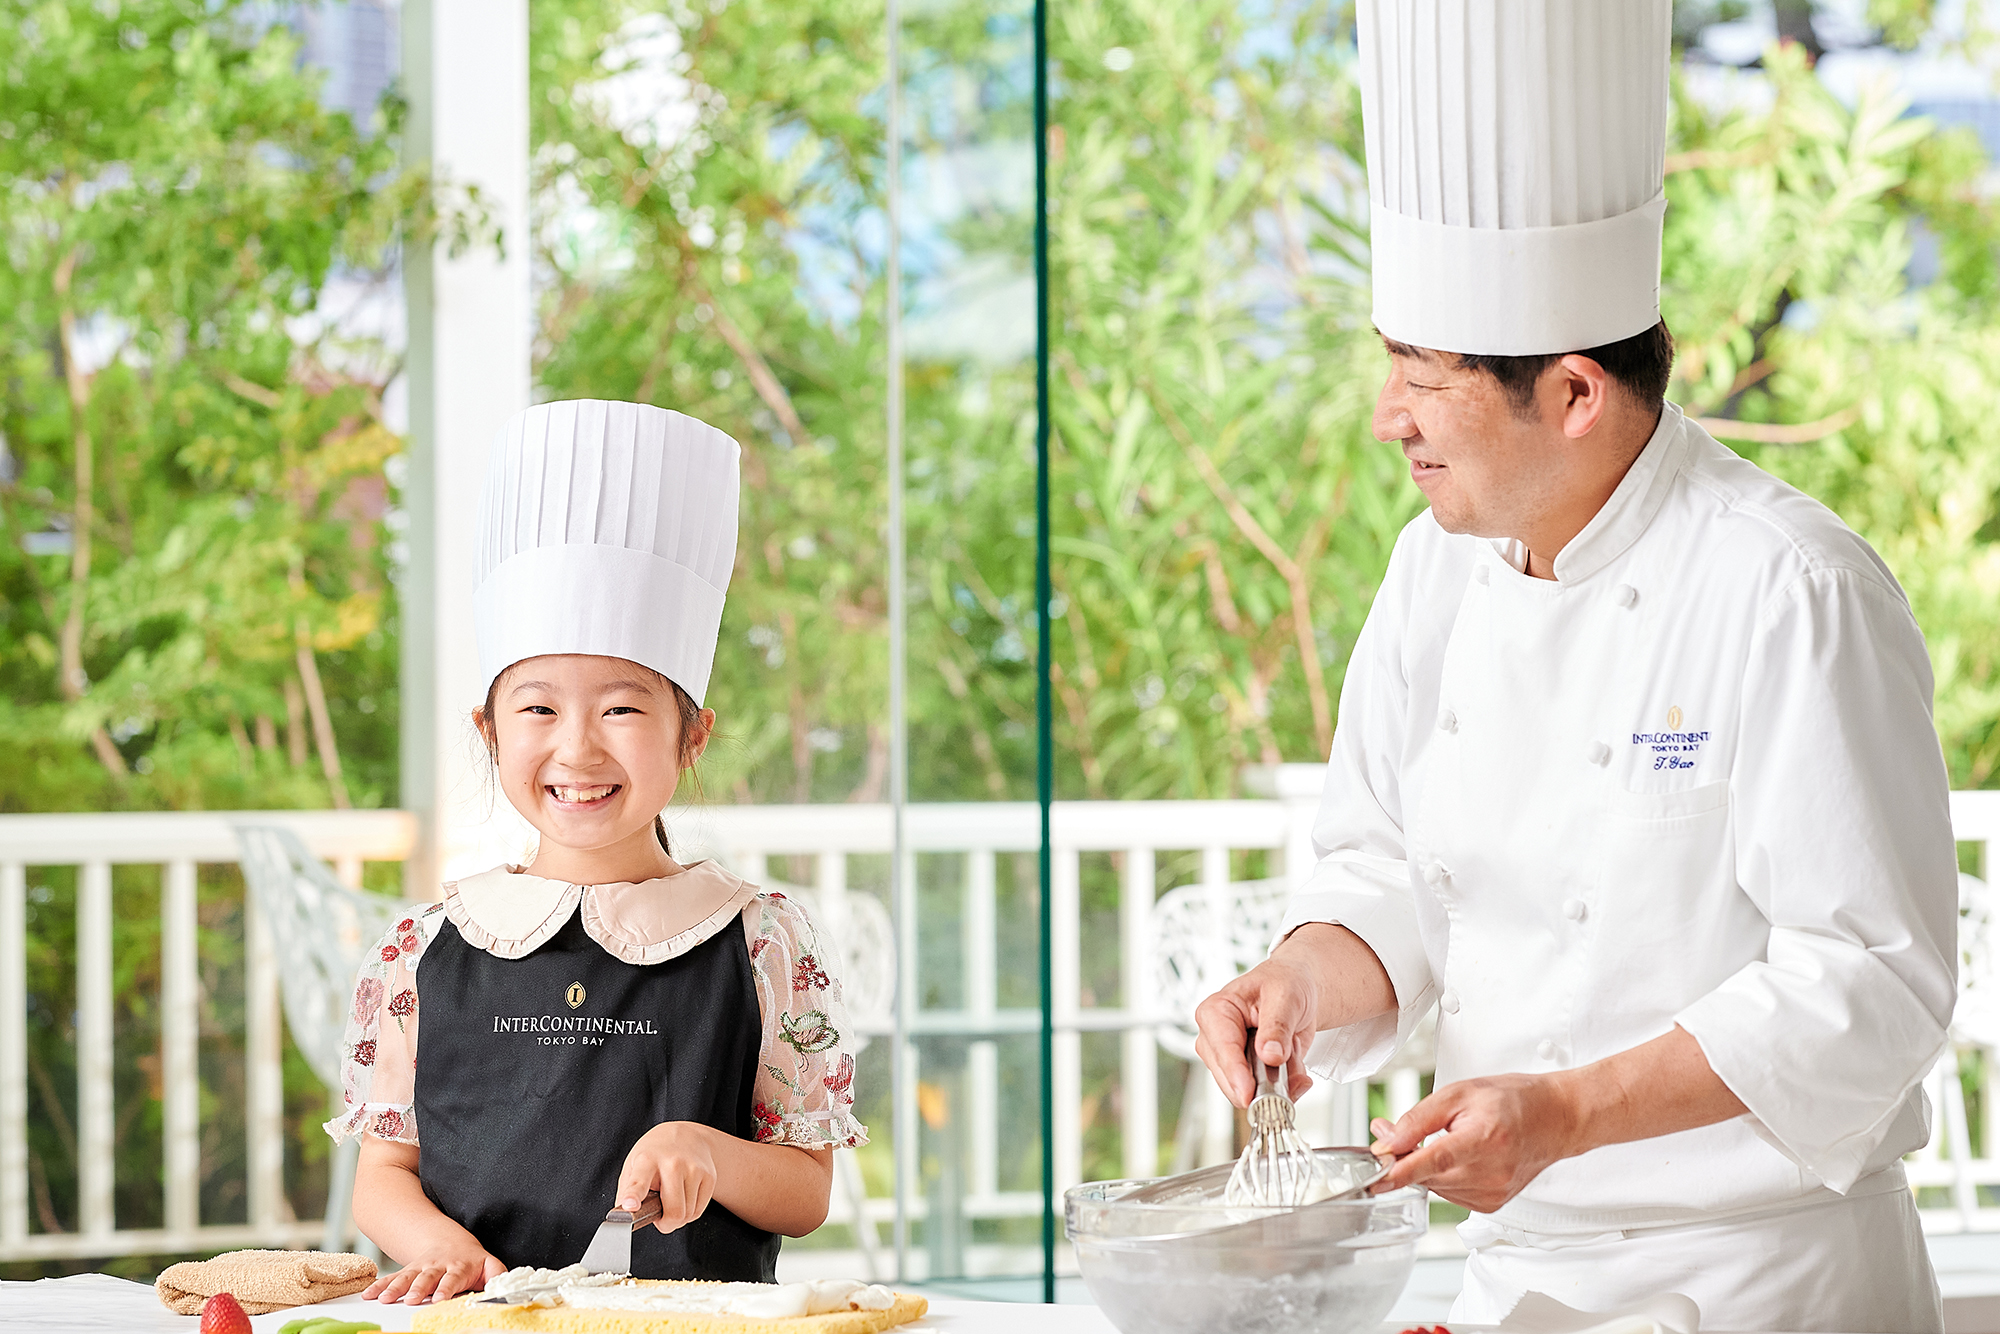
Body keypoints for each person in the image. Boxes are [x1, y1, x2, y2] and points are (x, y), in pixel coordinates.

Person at [1194, 4, 1955, 1331]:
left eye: (1422, 379)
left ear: (1575, 393)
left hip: (1763, 1281)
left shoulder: (1789, 587)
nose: (1386, 419)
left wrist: (1562, 1112)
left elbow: (1869, 981)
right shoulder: (1433, 570)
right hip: (1521, 1276)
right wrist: (1302, 978)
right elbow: (1389, 875)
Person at [327, 400, 864, 1305]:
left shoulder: (762, 941)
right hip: (484, 1325)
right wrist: (442, 1247)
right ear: (490, 731)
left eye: (621, 708)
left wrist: (706, 1152)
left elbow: (805, 1192)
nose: (576, 748)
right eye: (538, 708)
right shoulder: (424, 949)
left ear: (692, 736)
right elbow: (383, 1176)